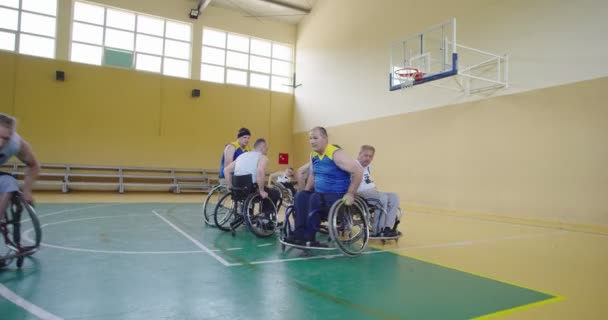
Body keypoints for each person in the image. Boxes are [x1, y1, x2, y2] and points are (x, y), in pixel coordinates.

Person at [287, 127, 363, 245]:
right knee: (301, 196)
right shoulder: (314, 155)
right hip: (320, 196)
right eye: (310, 138)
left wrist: (350, 193)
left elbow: (358, 170)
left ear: (325, 139)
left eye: (315, 138)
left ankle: (309, 236)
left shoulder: (335, 153)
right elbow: (313, 174)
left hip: (338, 197)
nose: (312, 141)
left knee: (314, 198)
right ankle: (299, 233)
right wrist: (306, 192)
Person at [0, 113, 40, 224]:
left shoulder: (15, 144)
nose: (1, 143)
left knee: (10, 182)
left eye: (5, 138)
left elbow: (33, 165)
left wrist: (27, 190)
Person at [356, 145, 400, 237]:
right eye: (365, 155)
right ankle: (378, 230)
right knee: (382, 198)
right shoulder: (353, 165)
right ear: (360, 154)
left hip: (372, 192)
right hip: (360, 194)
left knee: (394, 197)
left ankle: (387, 228)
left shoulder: (368, 166)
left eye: (370, 156)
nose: (368, 158)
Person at [223, 138, 280, 207]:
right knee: (274, 193)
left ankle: (249, 213)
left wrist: (231, 187)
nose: (266, 151)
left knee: (259, 188)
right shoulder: (262, 157)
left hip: (237, 189)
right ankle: (265, 215)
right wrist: (261, 191)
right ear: (262, 147)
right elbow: (260, 171)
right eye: (266, 148)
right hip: (250, 189)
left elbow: (226, 170)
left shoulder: (241, 156)